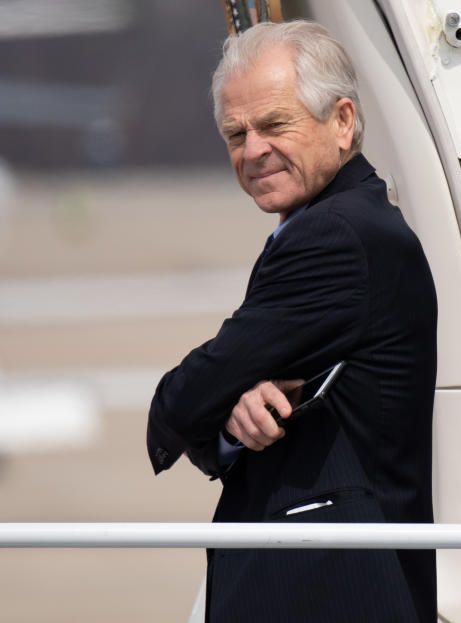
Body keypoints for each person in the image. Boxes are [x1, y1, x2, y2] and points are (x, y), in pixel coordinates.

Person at [146, 21, 438, 623]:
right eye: (236, 133)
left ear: (342, 121)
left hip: (334, 590)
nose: (252, 150)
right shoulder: (343, 223)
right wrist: (233, 415)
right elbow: (241, 380)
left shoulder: (333, 236)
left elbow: (185, 396)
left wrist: (205, 397)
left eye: (275, 124)